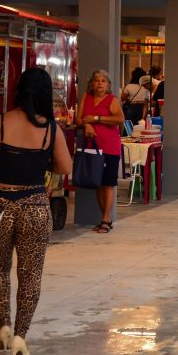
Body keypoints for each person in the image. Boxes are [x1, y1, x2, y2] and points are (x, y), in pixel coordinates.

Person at [0, 68, 72, 355]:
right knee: (30, 276)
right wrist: (40, 165)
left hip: (0, 206)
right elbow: (65, 168)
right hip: (35, 209)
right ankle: (19, 337)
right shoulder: (51, 129)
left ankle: (3, 325)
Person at [76, 69, 124, 233]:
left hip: (110, 147)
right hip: (92, 146)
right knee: (97, 183)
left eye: (103, 81)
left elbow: (119, 119)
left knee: (108, 183)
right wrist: (87, 124)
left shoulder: (112, 100)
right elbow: (79, 119)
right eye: (97, 80)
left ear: (108, 85)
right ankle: (105, 217)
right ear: (91, 84)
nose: (100, 83)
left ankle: (105, 219)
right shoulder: (86, 97)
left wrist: (96, 119)